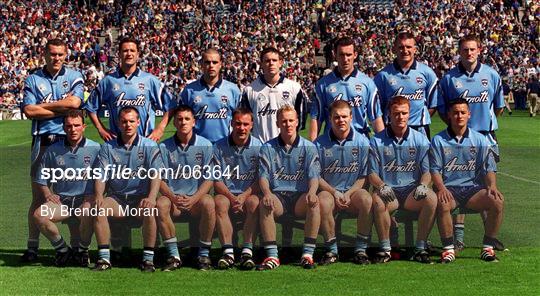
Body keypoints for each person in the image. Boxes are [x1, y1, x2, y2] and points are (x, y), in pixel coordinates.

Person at [437, 34, 505, 250]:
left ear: (479, 50)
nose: (469, 53)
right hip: (458, 140)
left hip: (486, 137)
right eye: (465, 50)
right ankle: (458, 237)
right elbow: (443, 110)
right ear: (459, 51)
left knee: (489, 186)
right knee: (459, 181)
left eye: (472, 49)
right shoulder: (449, 79)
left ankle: (490, 238)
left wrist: (480, 128)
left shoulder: (492, 75)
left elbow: (499, 107)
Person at [21, 38, 85, 262]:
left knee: (71, 195)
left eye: (60, 54)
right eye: (52, 54)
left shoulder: (74, 76)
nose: (56, 58)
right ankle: (32, 247)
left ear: (66, 54)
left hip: (69, 140)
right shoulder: (33, 78)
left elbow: (75, 104)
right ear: (44, 55)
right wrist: (61, 107)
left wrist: (44, 106)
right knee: (38, 197)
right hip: (43, 141)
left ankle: (76, 247)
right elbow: (29, 110)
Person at [430, 99, 504, 263]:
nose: (459, 116)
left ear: (469, 115)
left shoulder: (479, 139)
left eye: (463, 112)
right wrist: (441, 188)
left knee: (497, 201)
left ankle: (488, 248)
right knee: (441, 202)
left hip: (473, 191)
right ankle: (448, 249)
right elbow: (434, 170)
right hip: (450, 189)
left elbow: (489, 168)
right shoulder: (438, 140)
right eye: (455, 112)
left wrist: (492, 185)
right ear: (449, 115)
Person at [92, 106, 162, 272]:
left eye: (131, 121)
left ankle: (148, 260)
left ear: (138, 122)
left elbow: (156, 174)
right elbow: (101, 175)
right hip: (117, 198)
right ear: (118, 124)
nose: (128, 125)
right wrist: (98, 195)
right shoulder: (107, 147)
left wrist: (152, 197)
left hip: (140, 198)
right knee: (98, 209)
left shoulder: (149, 145)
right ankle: (104, 259)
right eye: (124, 121)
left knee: (149, 210)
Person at [368, 96, 436, 264]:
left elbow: (428, 171)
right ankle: (386, 249)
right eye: (396, 113)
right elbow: (371, 173)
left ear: (409, 114)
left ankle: (420, 248)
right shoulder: (376, 140)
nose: (400, 117)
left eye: (404, 113)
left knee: (431, 198)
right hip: (389, 191)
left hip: (412, 192)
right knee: (377, 200)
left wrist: (424, 184)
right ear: (389, 115)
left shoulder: (420, 139)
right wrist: (381, 185)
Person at [33, 110, 99, 267]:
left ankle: (82, 251)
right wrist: (48, 194)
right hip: (62, 201)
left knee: (88, 212)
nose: (73, 129)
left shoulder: (96, 148)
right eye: (69, 126)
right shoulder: (53, 150)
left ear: (83, 127)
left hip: (85, 199)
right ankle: (62, 249)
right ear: (63, 128)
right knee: (38, 215)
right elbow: (41, 178)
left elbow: (104, 178)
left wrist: (95, 195)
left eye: (76, 125)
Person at [257, 105, 321, 270]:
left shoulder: (309, 147)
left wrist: (312, 192)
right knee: (265, 202)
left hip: (300, 197)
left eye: (291, 120)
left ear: (298, 122)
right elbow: (263, 177)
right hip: (278, 197)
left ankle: (307, 255)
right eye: (284, 121)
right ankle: (272, 257)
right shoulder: (267, 147)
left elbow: (314, 176)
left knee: (314, 202)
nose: (288, 124)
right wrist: (267, 193)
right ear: (278, 123)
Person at [155, 105, 215, 271]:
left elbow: (210, 178)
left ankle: (203, 254)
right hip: (174, 201)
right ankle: (174, 256)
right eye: (179, 119)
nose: (183, 122)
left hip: (195, 201)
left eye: (187, 119)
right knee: (161, 203)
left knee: (209, 202)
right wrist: (173, 198)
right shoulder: (163, 147)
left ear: (194, 122)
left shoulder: (206, 145)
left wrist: (194, 198)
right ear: (174, 122)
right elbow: (158, 179)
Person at [84, 36, 173, 142]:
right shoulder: (108, 81)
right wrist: (101, 129)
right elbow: (90, 107)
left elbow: (171, 105)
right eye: (125, 51)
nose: (129, 54)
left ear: (138, 54)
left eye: (132, 50)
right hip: (117, 145)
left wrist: (160, 128)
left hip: (145, 143)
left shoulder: (150, 80)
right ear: (119, 54)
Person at [315, 100, 372, 265]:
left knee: (367, 199)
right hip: (330, 192)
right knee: (323, 201)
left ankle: (360, 250)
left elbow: (364, 176)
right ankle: (331, 250)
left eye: (344, 116)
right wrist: (335, 193)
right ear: (330, 118)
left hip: (352, 193)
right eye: (336, 117)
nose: (341, 120)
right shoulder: (319, 144)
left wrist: (348, 193)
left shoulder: (362, 142)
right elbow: (316, 176)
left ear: (351, 117)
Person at [213, 108, 262, 270]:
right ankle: (228, 252)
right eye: (238, 124)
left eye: (246, 124)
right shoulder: (218, 146)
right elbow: (216, 180)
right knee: (219, 202)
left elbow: (260, 179)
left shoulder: (259, 146)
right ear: (232, 123)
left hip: (249, 193)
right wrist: (233, 197)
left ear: (252, 125)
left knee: (254, 202)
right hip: (226, 194)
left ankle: (247, 250)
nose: (242, 128)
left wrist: (244, 195)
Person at [309, 36, 384, 141]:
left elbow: (376, 118)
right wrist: (312, 148)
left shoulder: (367, 83)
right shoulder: (322, 84)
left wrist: (382, 148)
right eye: (341, 54)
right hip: (331, 144)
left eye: (348, 55)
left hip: (360, 143)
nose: (345, 59)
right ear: (335, 55)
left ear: (355, 55)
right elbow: (316, 119)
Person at [374, 32, 439, 138]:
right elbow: (377, 107)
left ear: (415, 49)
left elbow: (433, 105)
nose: (405, 51)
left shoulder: (427, 73)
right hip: (392, 129)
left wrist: (418, 119)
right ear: (393, 49)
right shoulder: (383, 76)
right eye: (401, 47)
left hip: (419, 129)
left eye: (408, 47)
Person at [240, 47, 309, 143]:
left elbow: (301, 120)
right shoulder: (249, 91)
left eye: (274, 60)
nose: (271, 63)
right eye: (267, 61)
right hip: (260, 147)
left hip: (287, 146)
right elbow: (245, 122)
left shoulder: (294, 88)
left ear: (280, 62)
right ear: (261, 63)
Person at [180, 48, 241, 143]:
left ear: (220, 64)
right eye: (207, 62)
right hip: (198, 146)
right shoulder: (189, 90)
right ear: (201, 64)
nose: (211, 65)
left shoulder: (233, 90)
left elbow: (240, 120)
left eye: (215, 62)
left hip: (225, 146)